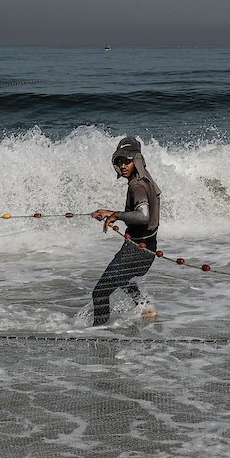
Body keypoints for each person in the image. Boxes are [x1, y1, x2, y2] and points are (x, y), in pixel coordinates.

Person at [89, 136, 161, 325]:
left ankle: (99, 334)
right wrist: (110, 213)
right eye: (119, 161)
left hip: (135, 251)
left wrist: (116, 215)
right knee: (123, 278)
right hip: (148, 249)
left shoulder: (136, 185)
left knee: (100, 293)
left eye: (127, 161)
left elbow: (143, 216)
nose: (122, 166)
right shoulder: (146, 179)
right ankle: (146, 306)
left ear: (137, 160)